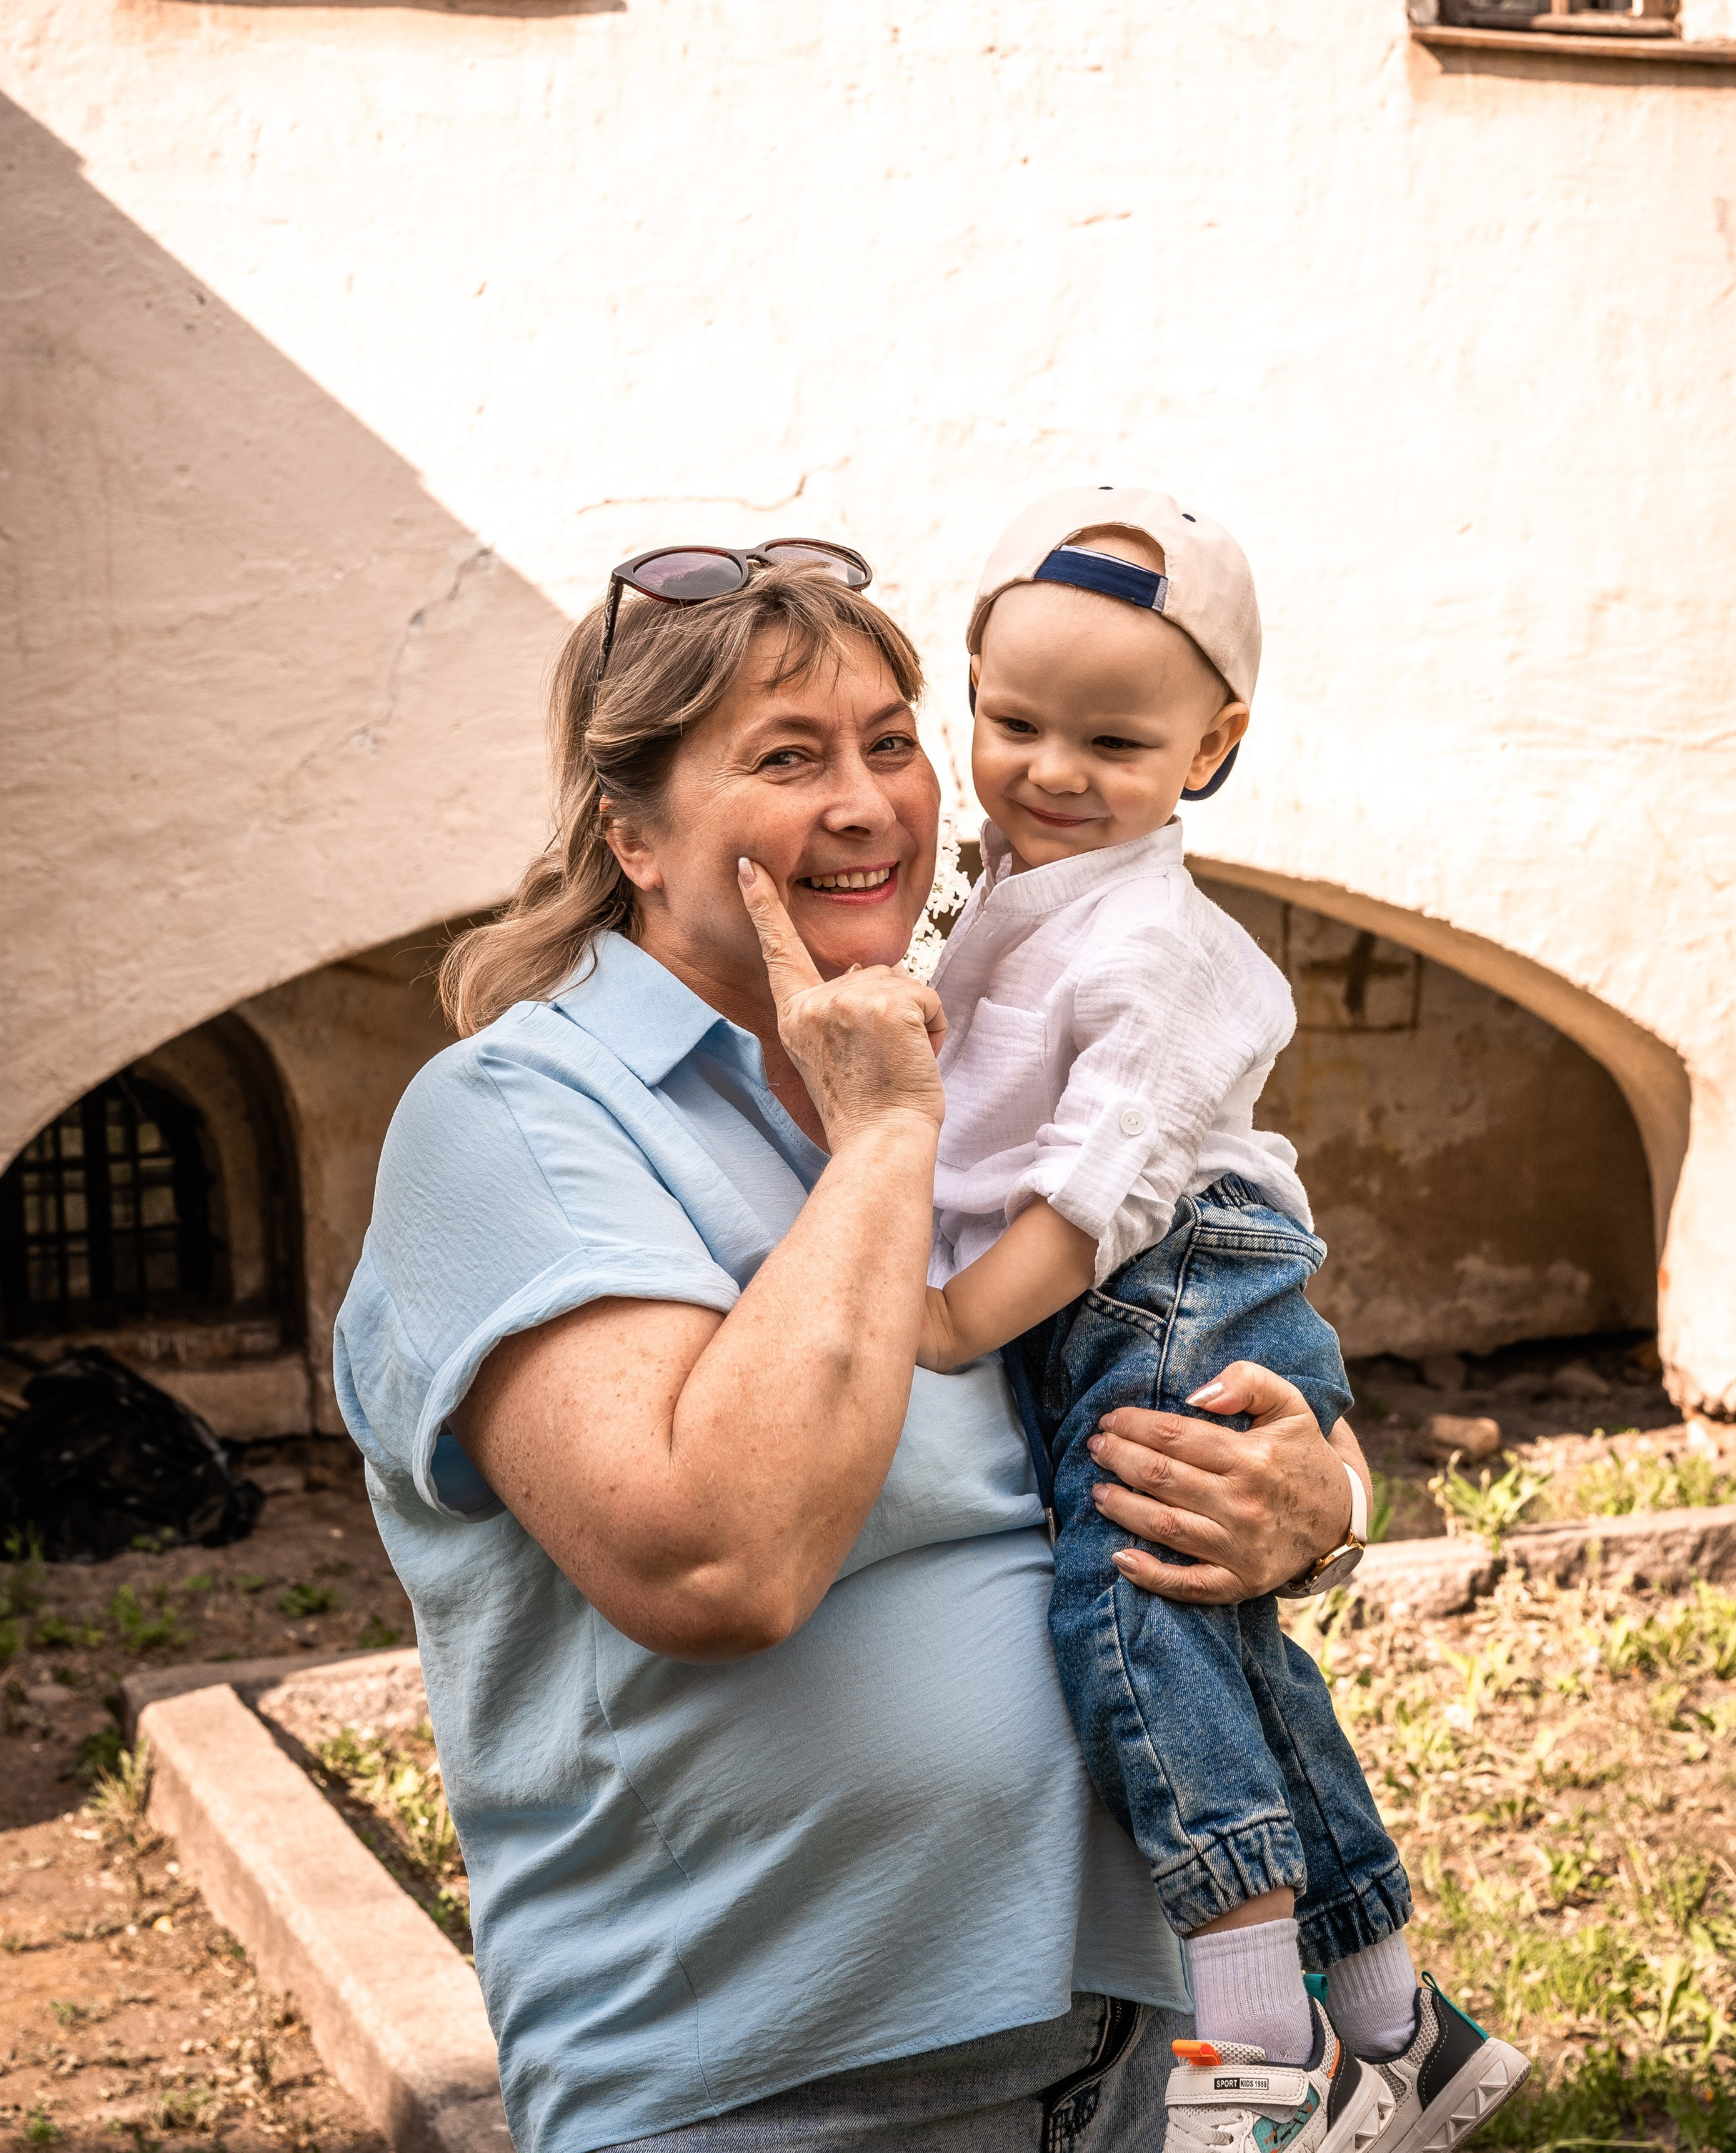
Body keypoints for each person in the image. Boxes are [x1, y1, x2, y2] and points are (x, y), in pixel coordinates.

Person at [333, 541, 1382, 2153]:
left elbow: (1171, 1359)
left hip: (1141, 2053)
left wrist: (1318, 1508)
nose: (867, 803)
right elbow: (711, 1565)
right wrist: (885, 1130)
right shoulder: (514, 1117)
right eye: (786, 756)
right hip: (768, 2083)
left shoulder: (978, 1051)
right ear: (629, 831)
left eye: (891, 739)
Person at [918, 487, 1531, 2153]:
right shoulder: (1009, 894)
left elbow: (1096, 1185)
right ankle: (1398, 2012)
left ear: (1211, 745)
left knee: (1133, 1589)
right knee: (1233, 1639)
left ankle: (1256, 2039)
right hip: (1126, 1267)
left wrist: (945, 1326)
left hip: (1165, 1264)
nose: (1048, 767)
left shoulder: (1153, 936)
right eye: (1009, 720)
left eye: (1111, 738)